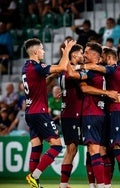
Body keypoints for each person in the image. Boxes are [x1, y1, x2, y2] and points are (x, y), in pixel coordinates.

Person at [77, 48, 120, 188]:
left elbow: (96, 68)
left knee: (116, 148)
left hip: (115, 111)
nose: (100, 60)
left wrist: (79, 66)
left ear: (109, 58)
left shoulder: (113, 68)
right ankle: (107, 184)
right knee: (107, 150)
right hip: (112, 111)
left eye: (102, 57)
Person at [22, 38, 76, 188]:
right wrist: (66, 52)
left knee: (36, 146)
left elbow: (37, 84)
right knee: (57, 146)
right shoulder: (37, 67)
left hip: (30, 112)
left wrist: (50, 77)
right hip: (40, 112)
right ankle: (34, 176)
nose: (43, 51)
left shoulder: (26, 67)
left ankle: (34, 185)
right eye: (41, 49)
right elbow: (61, 67)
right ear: (35, 51)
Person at [58, 44, 84, 188]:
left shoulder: (64, 70)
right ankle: (63, 184)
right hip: (71, 114)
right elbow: (74, 73)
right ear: (74, 55)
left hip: (70, 112)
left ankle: (64, 183)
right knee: (71, 149)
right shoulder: (69, 70)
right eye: (80, 53)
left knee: (72, 150)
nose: (82, 55)